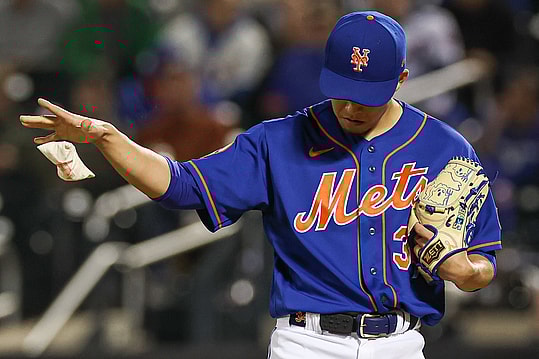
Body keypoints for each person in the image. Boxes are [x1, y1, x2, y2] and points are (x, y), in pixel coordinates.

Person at [20, 11, 501, 359]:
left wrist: (464, 271)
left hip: (400, 343)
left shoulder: (443, 148)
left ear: (401, 78)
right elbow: (182, 185)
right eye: (342, 92)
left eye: (366, 96)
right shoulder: (277, 141)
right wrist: (110, 138)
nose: (351, 107)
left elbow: (484, 264)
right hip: (306, 344)